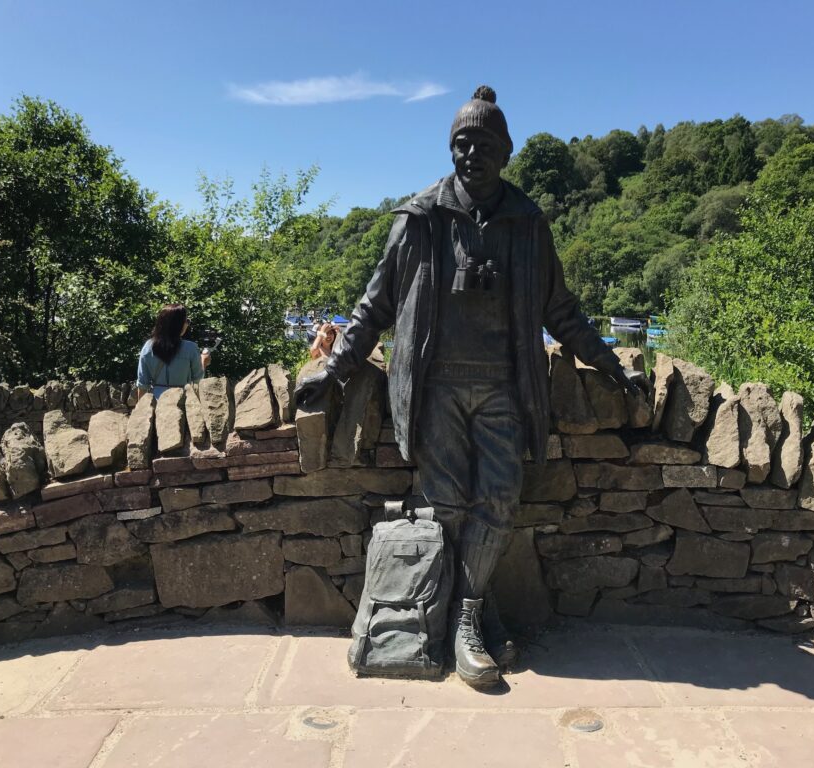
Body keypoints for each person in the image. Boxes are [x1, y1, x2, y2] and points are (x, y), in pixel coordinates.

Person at [296, 86, 648, 689]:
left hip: (504, 389)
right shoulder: (421, 218)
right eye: (461, 144)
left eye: (483, 144)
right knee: (449, 506)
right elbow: (375, 304)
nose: (471, 154)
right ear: (450, 149)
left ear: (506, 151)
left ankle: (467, 617)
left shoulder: (527, 223)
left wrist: (611, 363)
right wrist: (335, 369)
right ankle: (464, 620)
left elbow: (560, 311)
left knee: (501, 499)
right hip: (437, 388)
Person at [136, 303, 210, 399]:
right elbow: (198, 380)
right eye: (186, 321)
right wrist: (203, 361)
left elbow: (142, 385)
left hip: (157, 401)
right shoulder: (190, 348)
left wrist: (142, 410)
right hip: (182, 399)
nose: (187, 324)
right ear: (179, 324)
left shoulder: (148, 347)